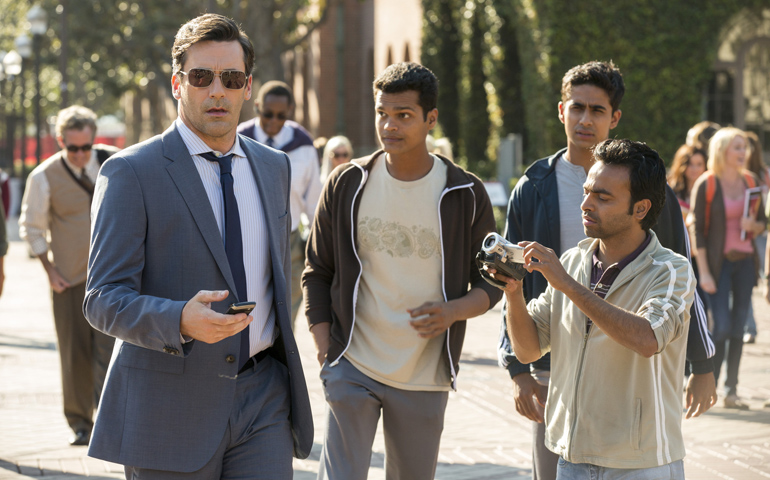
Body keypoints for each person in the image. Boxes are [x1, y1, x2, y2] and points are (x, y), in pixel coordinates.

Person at [84, 14, 312, 477]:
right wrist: (178, 320)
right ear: (177, 83)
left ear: (247, 86)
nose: (217, 92)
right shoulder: (132, 172)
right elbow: (102, 299)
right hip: (172, 405)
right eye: (201, 77)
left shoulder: (274, 168)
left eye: (231, 79)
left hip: (264, 397)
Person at [498, 61, 716, 480]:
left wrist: (703, 365)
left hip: (641, 460)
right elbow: (527, 348)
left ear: (641, 209)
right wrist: (512, 292)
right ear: (561, 110)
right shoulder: (560, 230)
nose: (586, 204)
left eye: (602, 196)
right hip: (571, 452)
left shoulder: (669, 270)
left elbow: (650, 336)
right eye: (585, 192)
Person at [303, 62, 502, 479]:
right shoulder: (347, 183)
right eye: (382, 113)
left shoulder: (464, 193)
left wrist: (453, 311)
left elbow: (492, 278)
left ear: (430, 119)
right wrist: (326, 349)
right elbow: (317, 270)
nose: (389, 125)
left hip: (424, 374)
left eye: (403, 115)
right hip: (352, 364)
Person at [18, 105, 117, 446]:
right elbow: (31, 228)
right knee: (74, 354)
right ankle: (80, 423)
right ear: (60, 141)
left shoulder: (116, 163)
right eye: (71, 147)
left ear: (93, 140)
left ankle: (111, 419)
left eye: (85, 147)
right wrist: (49, 270)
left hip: (116, 279)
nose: (79, 155)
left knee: (114, 351)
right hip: (70, 280)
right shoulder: (43, 176)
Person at [690, 126, 766, 410]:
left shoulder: (752, 181)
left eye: (744, 147)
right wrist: (705, 272)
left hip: (745, 262)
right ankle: (709, 383)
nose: (743, 153)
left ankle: (730, 390)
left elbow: (762, 224)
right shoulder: (707, 184)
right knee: (720, 326)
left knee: (738, 327)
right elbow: (696, 230)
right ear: (721, 151)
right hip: (718, 266)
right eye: (737, 147)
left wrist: (754, 225)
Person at [238, 80, 321, 329]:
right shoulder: (238, 138)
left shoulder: (303, 144)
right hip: (248, 238)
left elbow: (313, 199)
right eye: (267, 114)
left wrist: (320, 244)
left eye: (281, 115)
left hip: (290, 241)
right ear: (257, 107)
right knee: (252, 309)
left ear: (290, 111)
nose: (273, 121)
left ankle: (283, 363)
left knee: (287, 312)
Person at [743, 131, 768, 344]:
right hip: (740, 236)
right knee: (746, 281)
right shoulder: (733, 176)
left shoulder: (764, 174)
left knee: (765, 277)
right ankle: (750, 327)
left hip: (761, 234)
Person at [668, 144, 708, 221]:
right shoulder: (671, 192)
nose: (695, 169)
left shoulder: (711, 191)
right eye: (690, 164)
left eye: (699, 164)